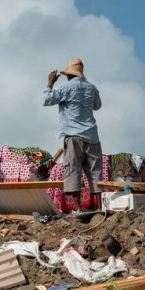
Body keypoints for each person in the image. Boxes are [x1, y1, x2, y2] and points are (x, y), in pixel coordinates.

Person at [43, 57, 102, 214]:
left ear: (70, 74)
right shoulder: (92, 88)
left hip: (73, 135)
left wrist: (50, 83)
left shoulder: (65, 88)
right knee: (95, 171)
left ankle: (77, 208)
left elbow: (46, 99)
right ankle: (101, 207)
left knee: (72, 169)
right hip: (92, 135)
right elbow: (97, 106)